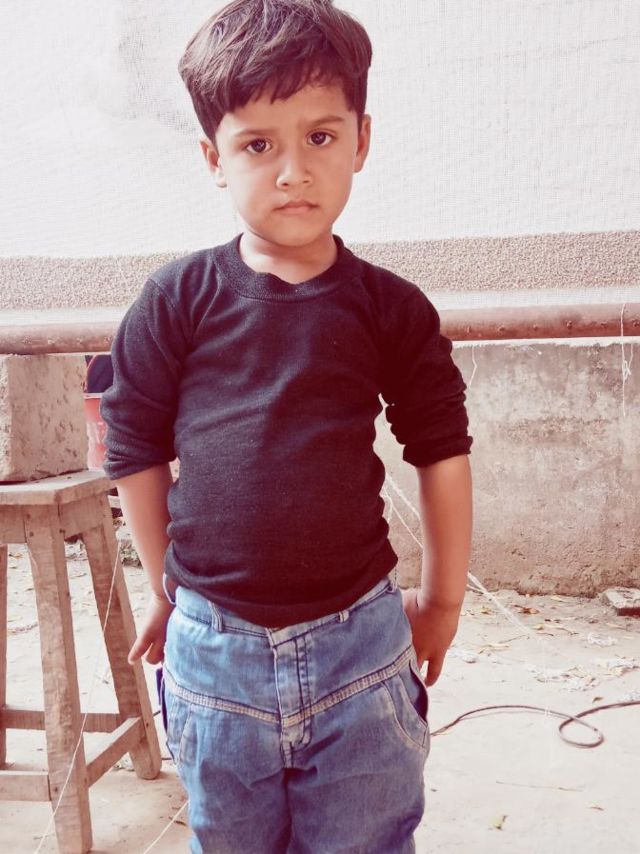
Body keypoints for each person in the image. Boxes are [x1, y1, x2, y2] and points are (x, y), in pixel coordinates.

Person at [100, 1, 473, 851]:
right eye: (258, 145)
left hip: (360, 651)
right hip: (213, 655)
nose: (293, 172)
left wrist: (444, 601)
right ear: (214, 158)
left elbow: (442, 448)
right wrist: (166, 592)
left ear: (361, 141)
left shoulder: (391, 308)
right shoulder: (176, 299)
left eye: (320, 136)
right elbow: (134, 446)